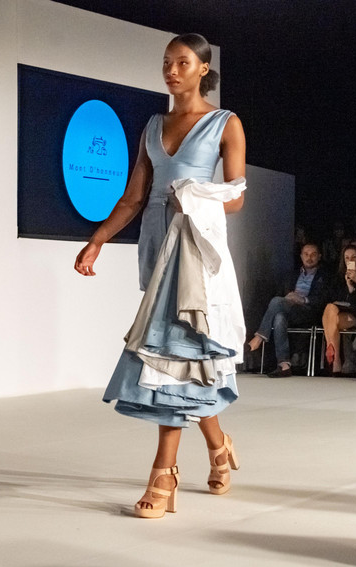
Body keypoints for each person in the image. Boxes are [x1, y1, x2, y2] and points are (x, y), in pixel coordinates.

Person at [74, 33, 246, 519]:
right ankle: (219, 446)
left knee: (172, 351)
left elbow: (236, 197)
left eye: (182, 62)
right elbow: (133, 197)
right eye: (167, 62)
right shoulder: (153, 125)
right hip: (156, 244)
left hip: (195, 248)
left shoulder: (225, 123)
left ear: (203, 69)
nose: (171, 70)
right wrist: (98, 239)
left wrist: (196, 197)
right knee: (182, 355)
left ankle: (163, 475)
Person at [246, 243, 330, 377]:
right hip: (289, 309)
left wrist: (302, 299)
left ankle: (260, 337)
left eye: (313, 254)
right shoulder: (292, 275)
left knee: (276, 301)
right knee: (279, 317)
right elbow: (280, 294)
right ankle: (284, 365)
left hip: (309, 312)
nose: (309, 258)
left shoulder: (325, 276)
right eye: (306, 254)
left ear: (319, 256)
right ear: (301, 256)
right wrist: (288, 299)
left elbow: (324, 299)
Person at [321, 244, 356, 376]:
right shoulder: (338, 278)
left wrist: (353, 285)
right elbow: (331, 298)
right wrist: (346, 286)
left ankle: (333, 356)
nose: (350, 260)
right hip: (340, 312)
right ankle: (336, 359)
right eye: (347, 258)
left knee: (331, 319)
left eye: (353, 257)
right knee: (330, 309)